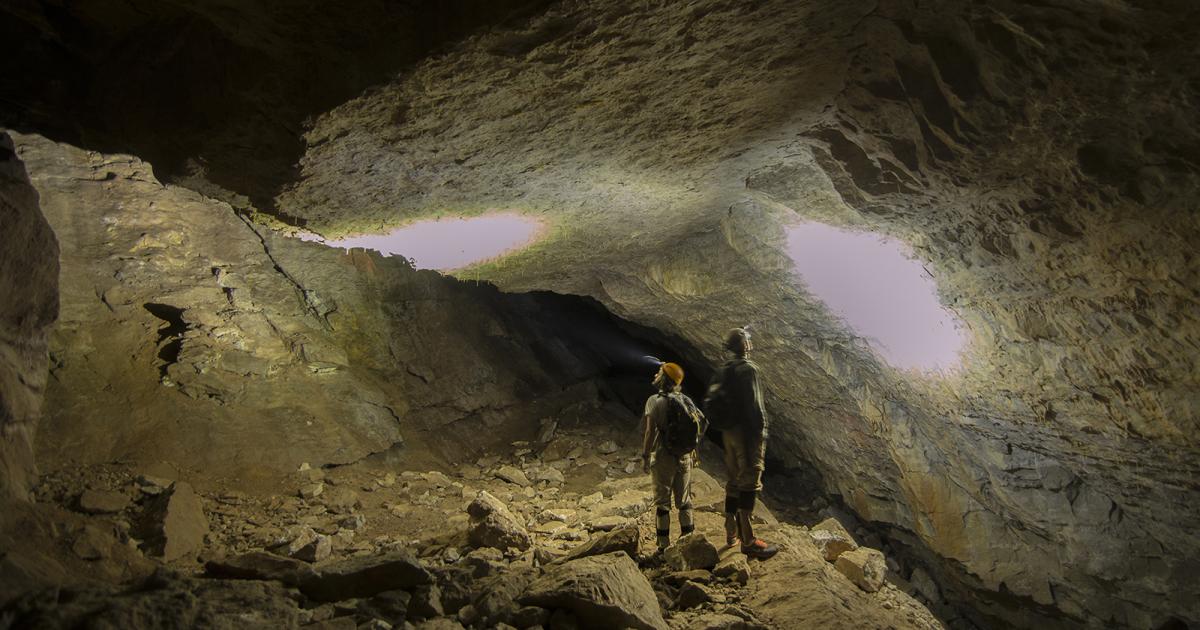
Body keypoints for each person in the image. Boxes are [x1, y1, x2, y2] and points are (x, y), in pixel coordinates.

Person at [711, 327, 778, 559]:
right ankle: (748, 541)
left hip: (728, 434)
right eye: (747, 339)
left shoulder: (723, 370)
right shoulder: (748, 369)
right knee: (750, 481)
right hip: (746, 435)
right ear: (745, 345)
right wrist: (762, 433)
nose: (750, 341)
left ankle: (731, 532)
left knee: (734, 481)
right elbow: (755, 407)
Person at [640, 361, 705, 551]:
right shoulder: (685, 400)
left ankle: (663, 546)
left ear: (664, 379)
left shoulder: (654, 401)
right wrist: (693, 453)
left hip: (663, 456)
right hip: (684, 456)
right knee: (684, 501)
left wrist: (645, 456)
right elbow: (697, 429)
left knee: (663, 504)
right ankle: (689, 540)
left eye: (659, 372)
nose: (655, 375)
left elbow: (650, 433)